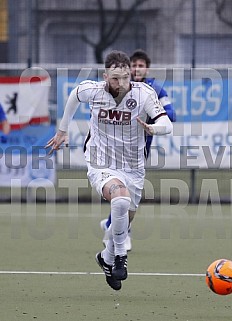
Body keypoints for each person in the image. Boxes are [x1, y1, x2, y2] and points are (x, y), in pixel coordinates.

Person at [45, 50, 172, 291]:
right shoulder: (92, 90)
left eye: (125, 77)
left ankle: (106, 256)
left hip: (134, 166)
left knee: (125, 216)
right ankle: (121, 257)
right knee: (121, 201)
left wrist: (154, 129)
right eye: (115, 78)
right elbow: (74, 96)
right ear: (105, 76)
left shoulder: (144, 94)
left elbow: (166, 122)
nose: (121, 83)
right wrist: (62, 130)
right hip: (100, 161)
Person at [100, 49, 176, 251]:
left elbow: (171, 114)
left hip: (140, 148)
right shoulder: (119, 87)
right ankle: (119, 235)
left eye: (141, 65)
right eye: (134, 65)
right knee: (121, 192)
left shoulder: (155, 90)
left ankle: (112, 226)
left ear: (147, 68)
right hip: (116, 150)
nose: (137, 68)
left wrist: (152, 119)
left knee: (130, 195)